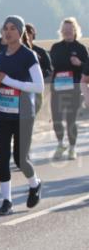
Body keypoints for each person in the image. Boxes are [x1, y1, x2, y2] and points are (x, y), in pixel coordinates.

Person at [0, 16, 44, 215]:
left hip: (24, 115)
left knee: (20, 158)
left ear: (20, 32)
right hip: (3, 113)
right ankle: (7, 201)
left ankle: (35, 183)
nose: (8, 32)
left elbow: (38, 86)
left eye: (13, 28)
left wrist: (9, 81)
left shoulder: (28, 55)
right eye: (5, 28)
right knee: (2, 157)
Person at [48, 17, 88, 161]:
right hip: (58, 88)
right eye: (64, 30)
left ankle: (72, 148)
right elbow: (52, 66)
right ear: (61, 31)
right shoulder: (56, 47)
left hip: (74, 89)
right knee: (56, 118)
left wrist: (79, 63)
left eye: (70, 29)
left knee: (71, 119)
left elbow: (87, 69)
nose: (67, 32)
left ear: (75, 31)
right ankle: (60, 144)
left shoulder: (81, 48)